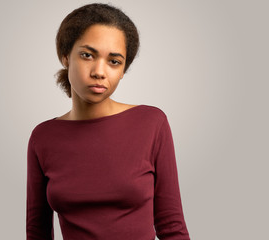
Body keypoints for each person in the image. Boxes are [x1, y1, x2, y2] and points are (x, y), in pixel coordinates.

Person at [26, 3, 190, 240]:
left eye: (114, 61)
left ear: (123, 69)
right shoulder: (43, 137)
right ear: (65, 56)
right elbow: (37, 232)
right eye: (87, 55)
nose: (99, 72)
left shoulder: (151, 123)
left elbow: (171, 226)